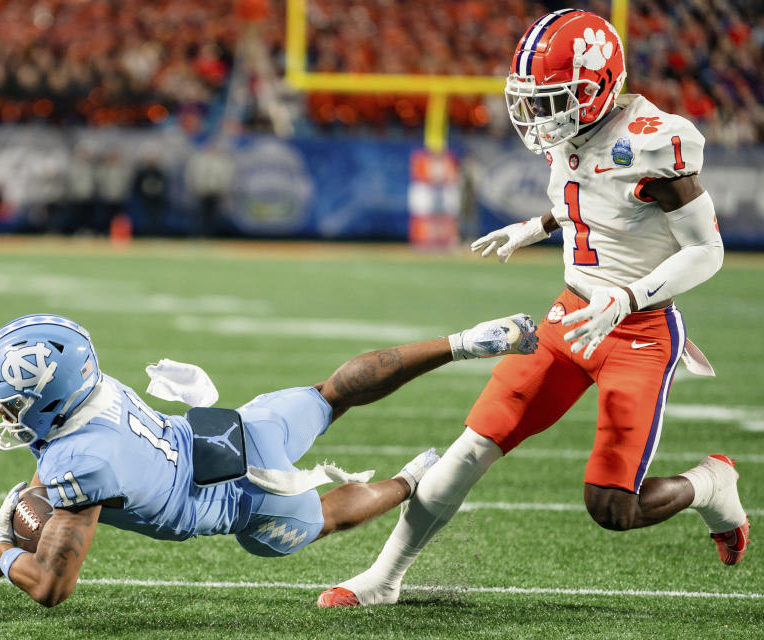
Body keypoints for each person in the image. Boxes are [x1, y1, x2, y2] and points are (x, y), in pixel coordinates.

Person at [318, 9, 747, 608]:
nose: (542, 115)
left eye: (556, 99)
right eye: (536, 100)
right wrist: (538, 226)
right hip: (568, 316)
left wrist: (626, 296)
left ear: (599, 87)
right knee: (474, 442)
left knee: (612, 508)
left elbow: (708, 249)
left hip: (639, 331)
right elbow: (590, 193)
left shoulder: (654, 142)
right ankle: (385, 576)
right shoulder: (574, 130)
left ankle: (711, 482)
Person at [0, 311, 538, 620]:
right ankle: (459, 343)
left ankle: (410, 480)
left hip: (245, 499)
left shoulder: (77, 463)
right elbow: (48, 475)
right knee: (330, 392)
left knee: (326, 518)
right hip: (229, 429)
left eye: (13, 404)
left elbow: (53, 587)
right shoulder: (93, 392)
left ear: (48, 399)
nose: (5, 416)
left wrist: (0, 554)